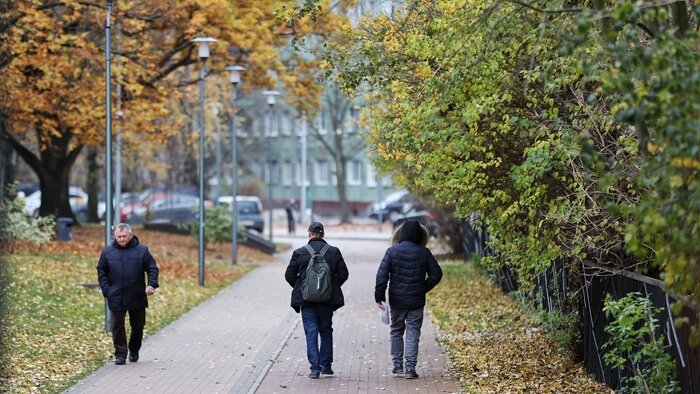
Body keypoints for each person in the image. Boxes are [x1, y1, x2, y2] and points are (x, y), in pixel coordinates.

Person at [374, 220, 442, 379]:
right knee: (413, 332)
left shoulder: (392, 251)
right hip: (416, 301)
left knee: (396, 331)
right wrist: (423, 288)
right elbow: (436, 274)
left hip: (397, 300)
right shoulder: (424, 252)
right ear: (419, 235)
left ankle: (398, 366)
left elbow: (381, 276)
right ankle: (410, 369)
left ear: (401, 233)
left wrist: (379, 296)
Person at [285, 221, 349, 379]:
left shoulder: (300, 252)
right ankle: (326, 365)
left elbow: (289, 276)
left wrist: (304, 287)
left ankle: (314, 369)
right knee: (326, 330)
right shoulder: (334, 252)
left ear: (309, 233)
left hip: (307, 301)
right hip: (327, 300)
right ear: (323, 234)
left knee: (311, 331)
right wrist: (329, 287)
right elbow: (344, 274)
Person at [97, 223, 159, 365]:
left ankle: (134, 349)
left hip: (137, 294)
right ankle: (120, 354)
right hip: (115, 294)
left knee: (138, 326)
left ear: (131, 235)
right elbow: (102, 271)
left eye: (125, 236)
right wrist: (107, 290)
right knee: (117, 326)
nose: (122, 239)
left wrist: (151, 284)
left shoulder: (142, 250)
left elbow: (152, 268)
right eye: (119, 236)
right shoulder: (107, 252)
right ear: (114, 236)